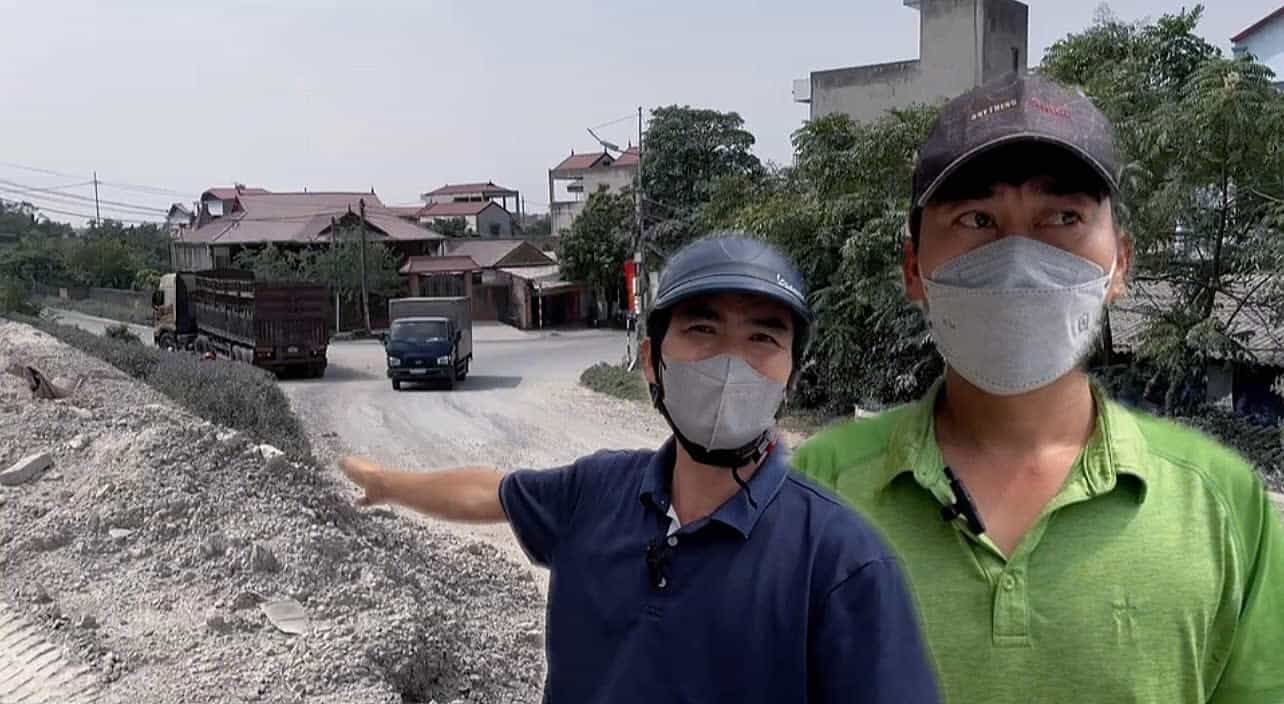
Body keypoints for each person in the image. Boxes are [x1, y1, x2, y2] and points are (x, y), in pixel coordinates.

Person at [792, 74, 1284, 704]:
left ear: (1120, 264)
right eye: (977, 218)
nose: (1019, 258)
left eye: (1063, 217)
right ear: (914, 269)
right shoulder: (819, 487)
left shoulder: (1223, 503)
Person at [340, 234, 940, 703]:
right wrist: (390, 484)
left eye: (762, 338)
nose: (731, 362)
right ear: (653, 362)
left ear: (791, 375)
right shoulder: (597, 491)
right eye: (703, 330)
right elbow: (490, 492)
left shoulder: (842, 562)